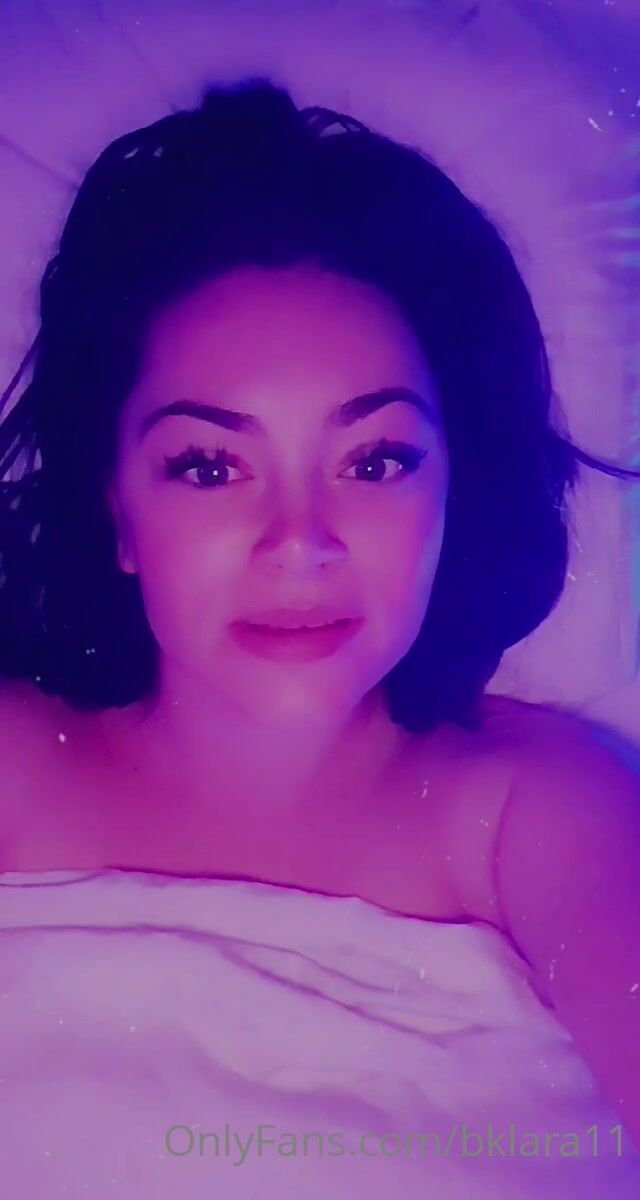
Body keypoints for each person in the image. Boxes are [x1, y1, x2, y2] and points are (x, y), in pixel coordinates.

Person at [0, 75, 638, 1197]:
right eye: (210, 467)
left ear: (453, 491)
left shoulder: (536, 813)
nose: (300, 543)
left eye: (374, 460)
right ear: (118, 514)